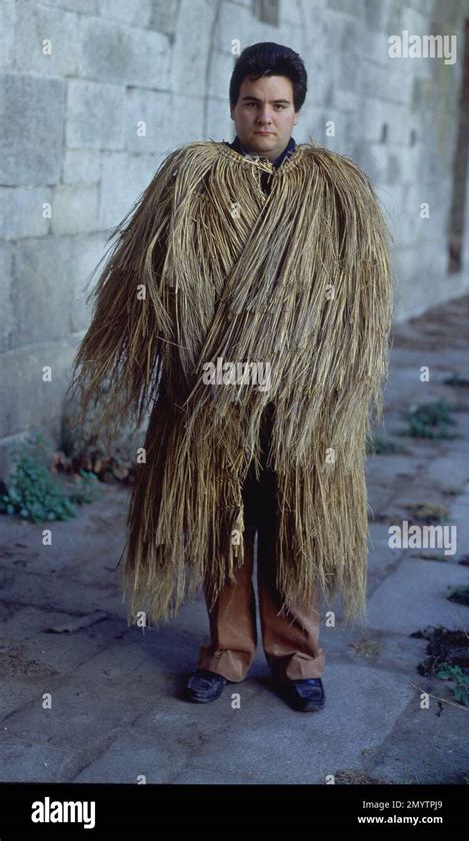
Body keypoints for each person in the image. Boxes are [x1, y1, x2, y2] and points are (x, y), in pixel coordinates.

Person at [68, 42, 393, 713]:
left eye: (278, 105)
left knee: (295, 524)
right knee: (224, 523)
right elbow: (142, 279)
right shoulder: (192, 177)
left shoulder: (336, 188)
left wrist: (324, 380)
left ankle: (299, 657)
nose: (264, 117)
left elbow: (361, 299)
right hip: (208, 397)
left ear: (297, 108)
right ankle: (225, 653)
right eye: (252, 103)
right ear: (233, 105)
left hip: (302, 401)